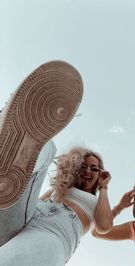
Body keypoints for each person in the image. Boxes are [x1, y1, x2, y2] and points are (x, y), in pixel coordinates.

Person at [0, 61, 113, 266]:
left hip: (53, 232)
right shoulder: (59, 189)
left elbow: (104, 226)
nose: (88, 171)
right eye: (84, 166)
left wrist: (104, 187)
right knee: (47, 147)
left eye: (95, 168)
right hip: (25, 216)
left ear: (100, 174)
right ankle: (9, 136)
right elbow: (28, 201)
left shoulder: (96, 201)